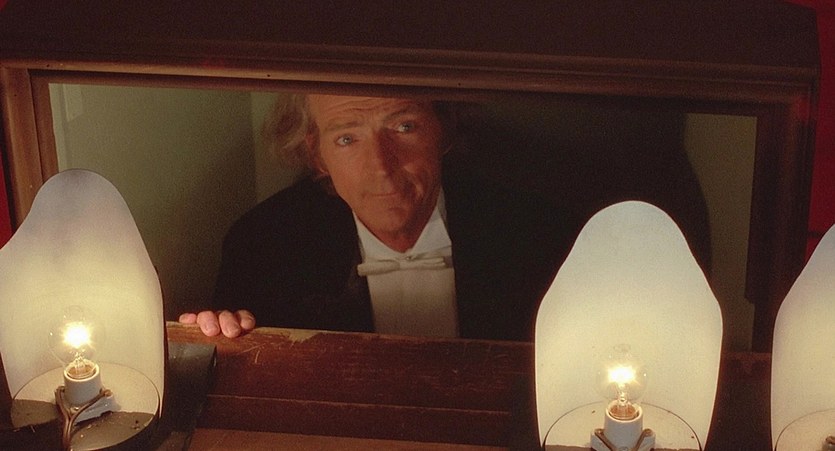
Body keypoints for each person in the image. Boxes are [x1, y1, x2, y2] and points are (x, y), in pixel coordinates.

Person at [179, 94, 577, 341]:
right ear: (317, 155)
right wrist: (219, 329)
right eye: (347, 138)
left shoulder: (541, 234)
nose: (381, 167)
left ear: (443, 128)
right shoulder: (261, 243)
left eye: (404, 126)